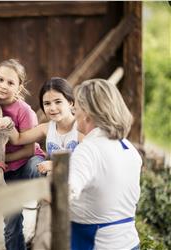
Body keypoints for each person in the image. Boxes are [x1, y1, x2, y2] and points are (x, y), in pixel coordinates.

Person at [69, 79, 142, 250]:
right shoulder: (129, 149)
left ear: (87, 111)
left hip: (96, 244)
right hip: (131, 244)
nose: (74, 112)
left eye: (77, 107)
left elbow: (68, 190)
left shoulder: (88, 149)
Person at [0, 59, 46, 250]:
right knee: (11, 225)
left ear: (19, 88)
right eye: (1, 80)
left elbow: (28, 150)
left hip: (27, 162)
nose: (4, 86)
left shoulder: (24, 111)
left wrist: (0, 161)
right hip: (7, 172)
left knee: (40, 170)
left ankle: (56, 189)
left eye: (11, 83)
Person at [0, 77, 84, 175]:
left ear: (70, 103)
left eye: (58, 102)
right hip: (59, 181)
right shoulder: (46, 128)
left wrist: (55, 164)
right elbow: (18, 139)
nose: (52, 108)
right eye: (47, 103)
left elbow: (88, 161)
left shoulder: (80, 127)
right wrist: (7, 121)